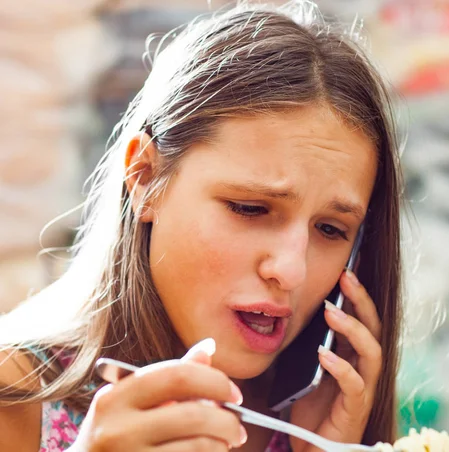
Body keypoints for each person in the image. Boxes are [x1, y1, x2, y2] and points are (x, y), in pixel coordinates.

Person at [0, 1, 405, 450]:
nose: (291, 272)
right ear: (145, 178)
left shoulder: (326, 423)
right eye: (249, 208)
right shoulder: (13, 398)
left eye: (330, 230)